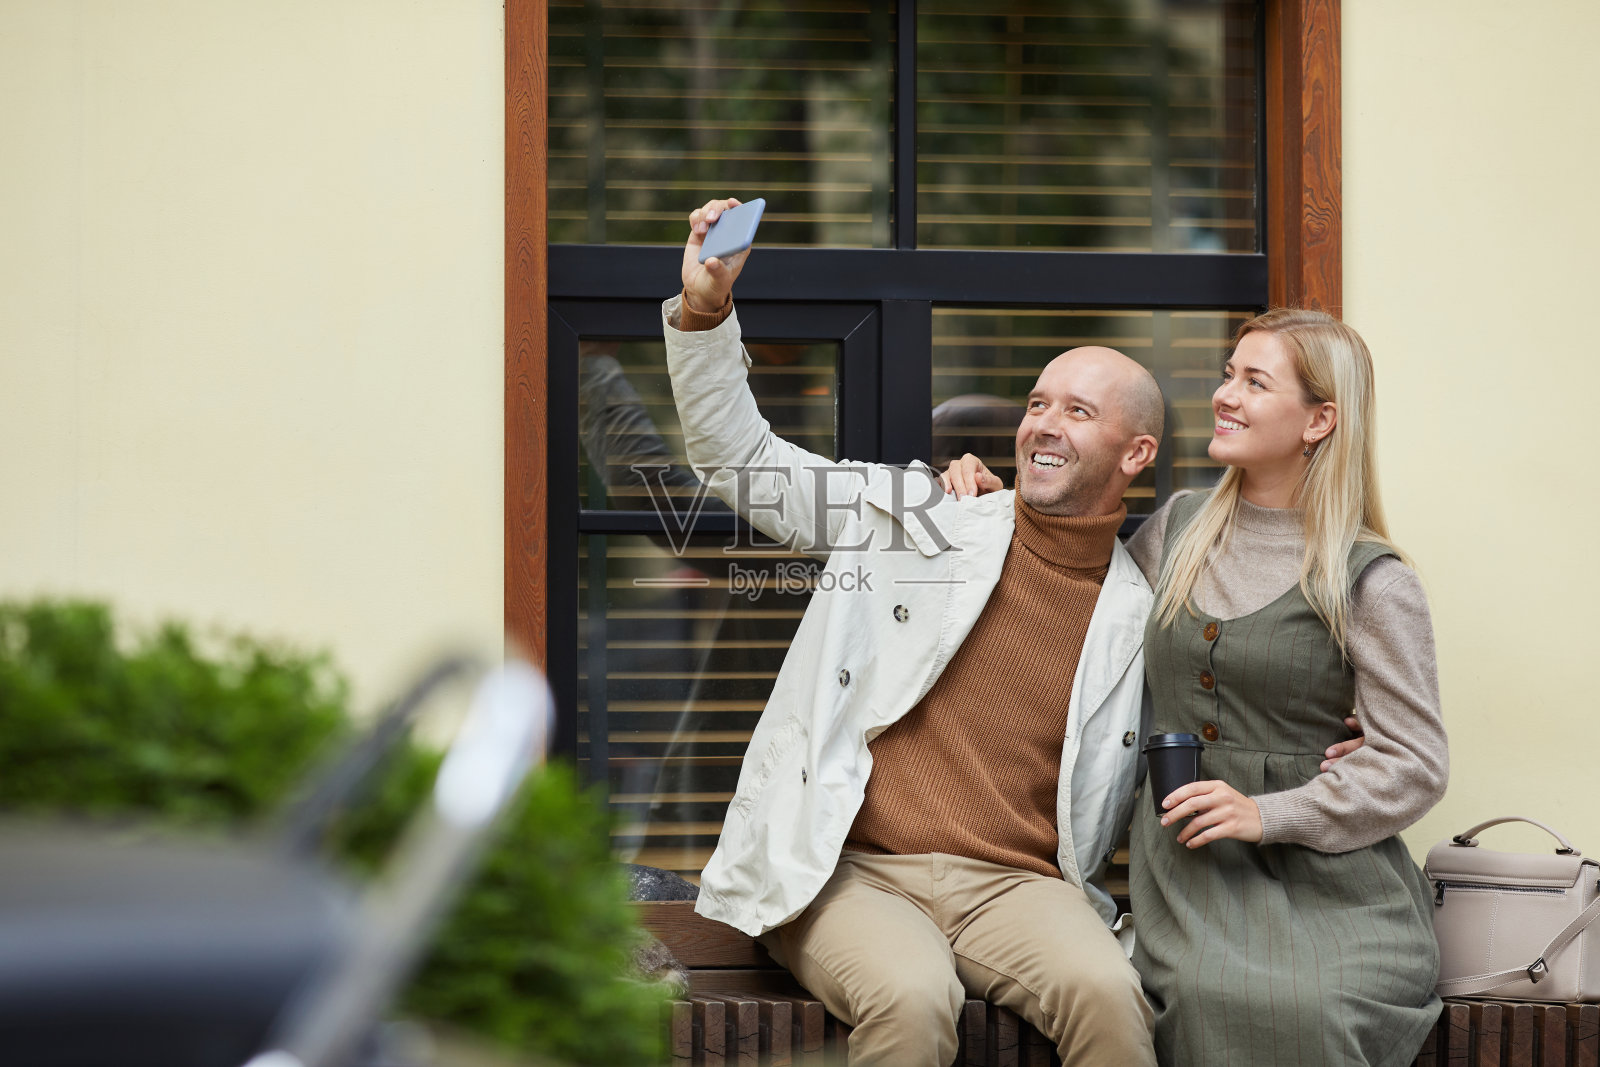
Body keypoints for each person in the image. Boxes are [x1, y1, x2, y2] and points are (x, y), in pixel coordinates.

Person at [663, 198, 1164, 1066]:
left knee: (1114, 1002)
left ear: (1137, 453)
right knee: (910, 997)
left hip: (1016, 886)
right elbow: (743, 464)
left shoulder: (1143, 604)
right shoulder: (926, 511)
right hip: (853, 870)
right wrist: (707, 309)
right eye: (1038, 402)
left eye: (1078, 412)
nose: (1042, 424)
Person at [945, 308, 1446, 1066]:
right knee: (1210, 998)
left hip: (1335, 891)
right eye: (1226, 375)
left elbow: (1415, 764)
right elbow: (1067, 582)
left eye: (1254, 381)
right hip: (1190, 878)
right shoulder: (1177, 530)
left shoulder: (1373, 580)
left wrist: (1269, 809)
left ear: (1320, 420)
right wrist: (994, 506)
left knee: (1307, 1010)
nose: (1224, 395)